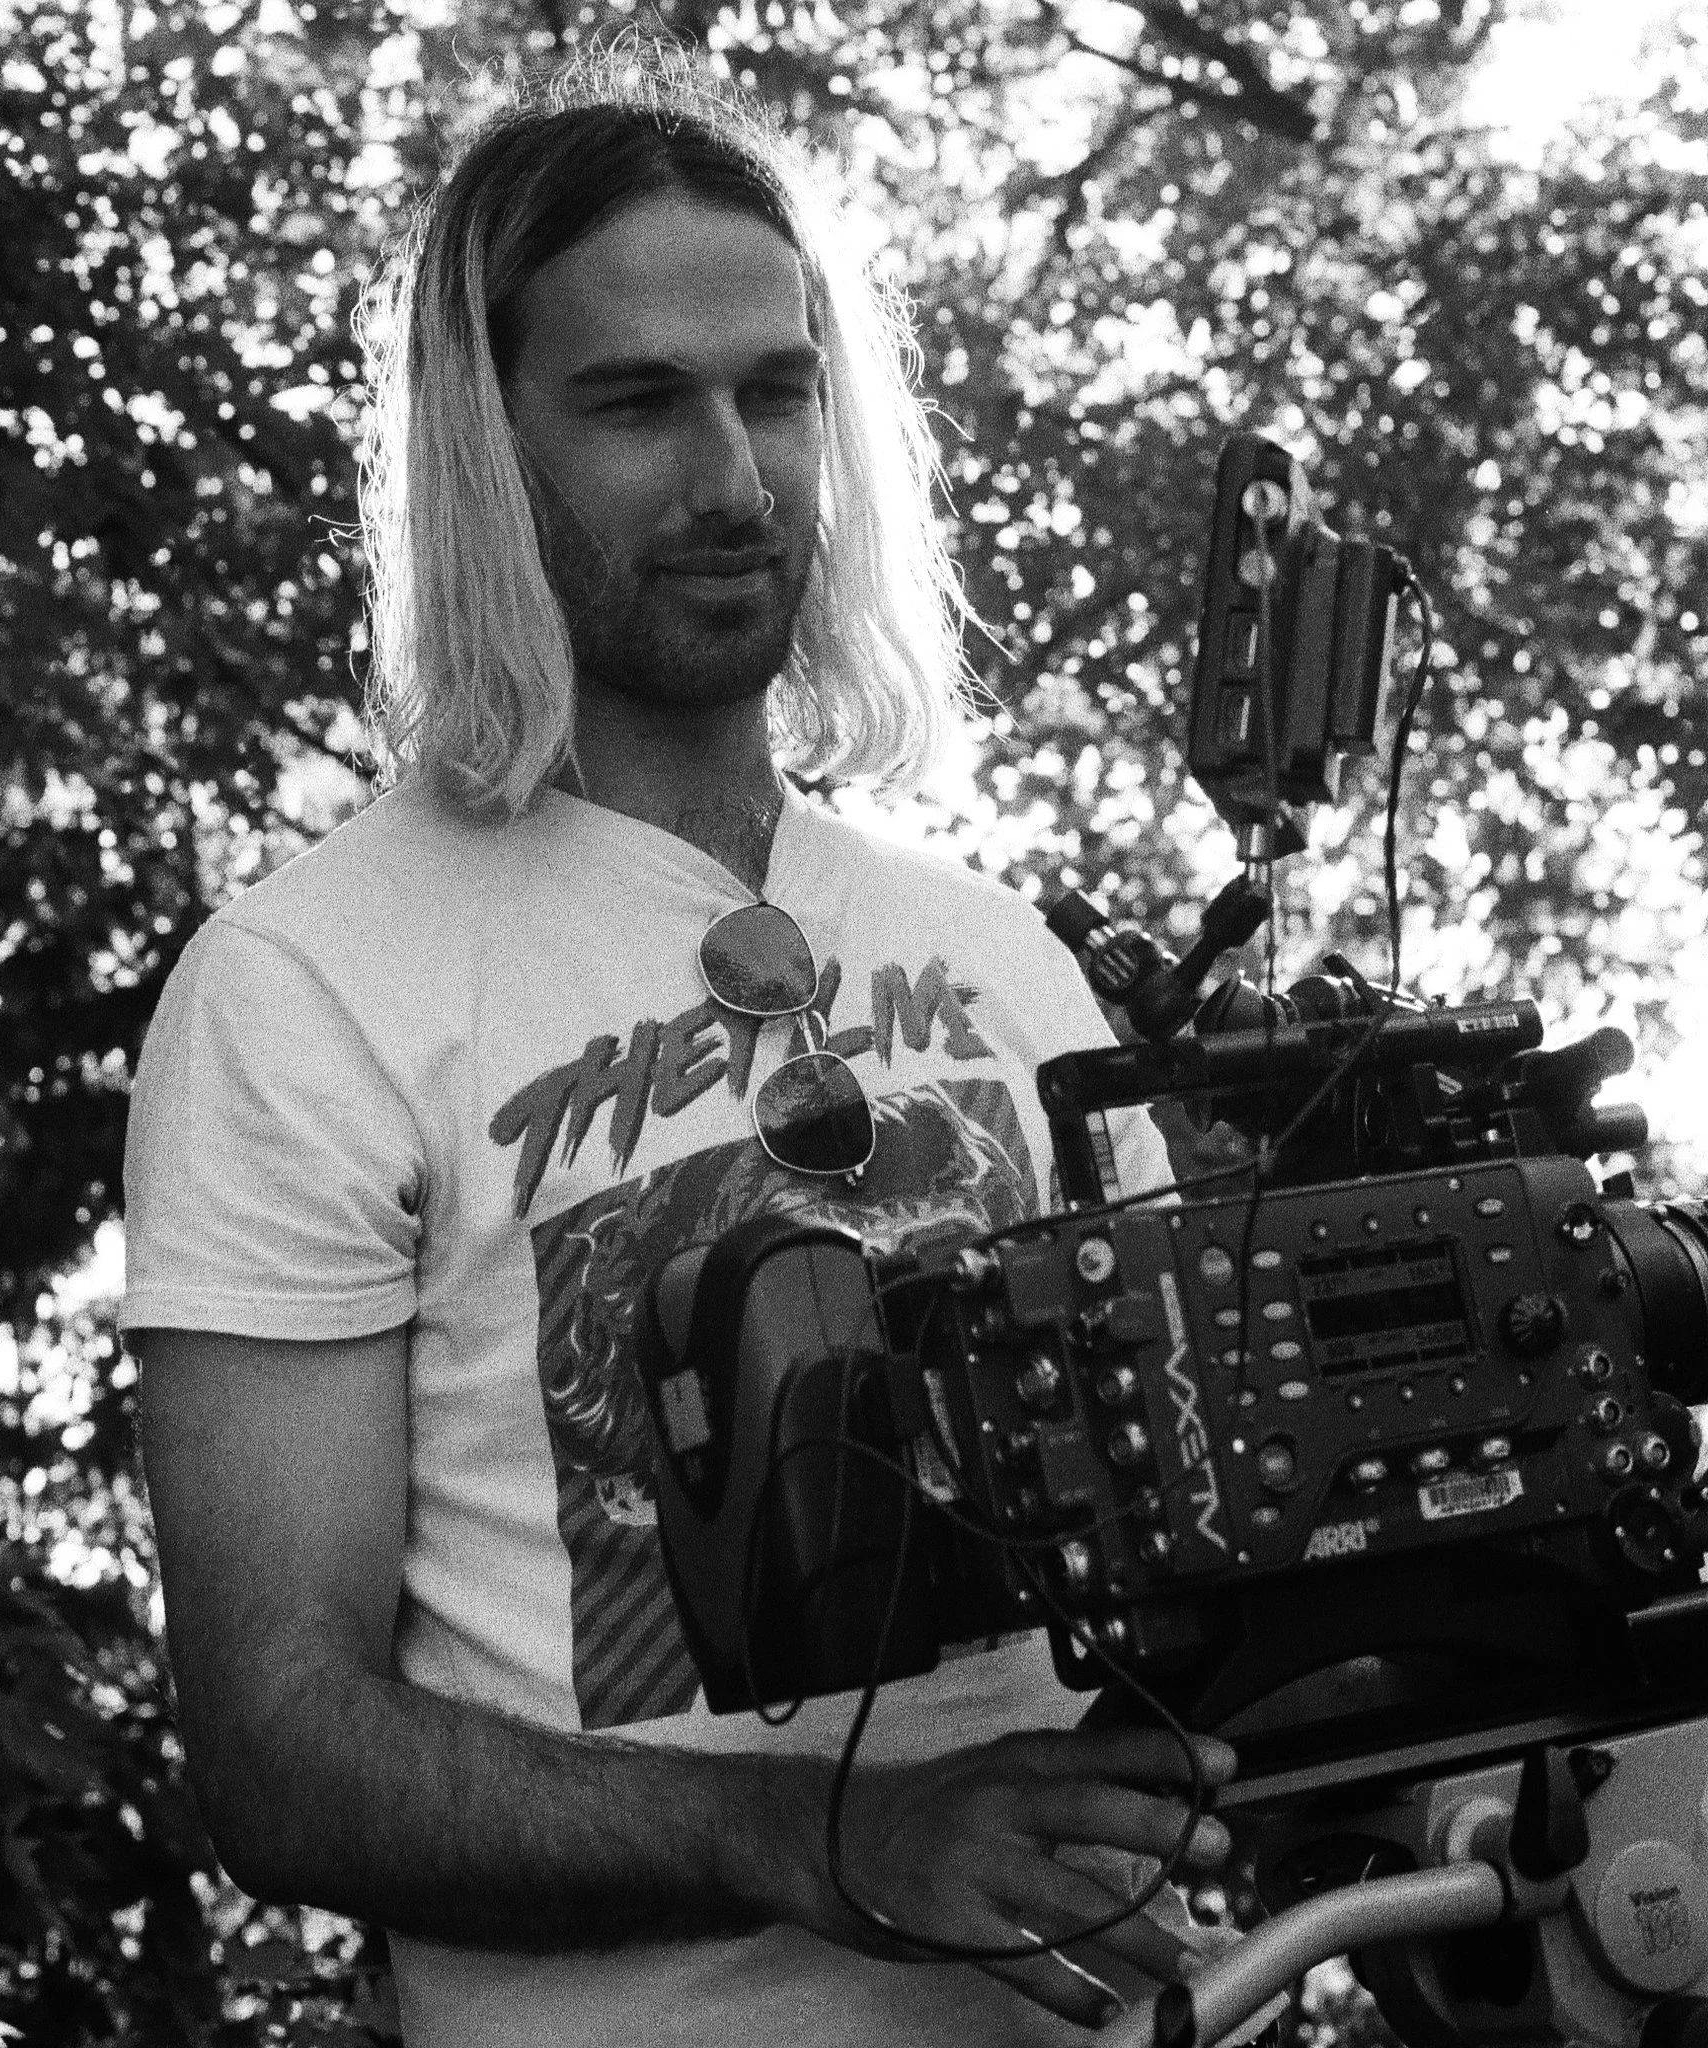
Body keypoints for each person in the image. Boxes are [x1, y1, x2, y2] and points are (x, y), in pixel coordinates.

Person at [122, 53, 1232, 2048]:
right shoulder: (303, 987)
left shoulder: (991, 951)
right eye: (637, 402)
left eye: (776, 389)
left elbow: (1201, 1543)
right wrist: (820, 1837)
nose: (733, 480)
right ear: (484, 444)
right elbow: (274, 1746)